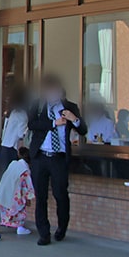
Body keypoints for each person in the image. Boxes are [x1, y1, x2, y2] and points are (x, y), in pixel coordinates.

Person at [27, 74, 87, 246]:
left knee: (61, 194)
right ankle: (43, 233)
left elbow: (83, 129)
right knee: (41, 196)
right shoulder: (38, 105)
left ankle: (61, 228)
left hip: (59, 158)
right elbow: (32, 125)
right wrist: (54, 123)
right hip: (40, 156)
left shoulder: (70, 107)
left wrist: (73, 119)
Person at [0, 147, 35, 235]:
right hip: (16, 194)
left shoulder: (13, 164)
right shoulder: (25, 170)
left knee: (3, 211)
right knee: (19, 210)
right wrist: (28, 198)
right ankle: (20, 227)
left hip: (4, 190)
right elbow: (27, 186)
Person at [0, 85, 29, 171]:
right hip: (12, 148)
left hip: (5, 146)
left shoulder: (12, 112)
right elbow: (21, 134)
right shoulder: (22, 114)